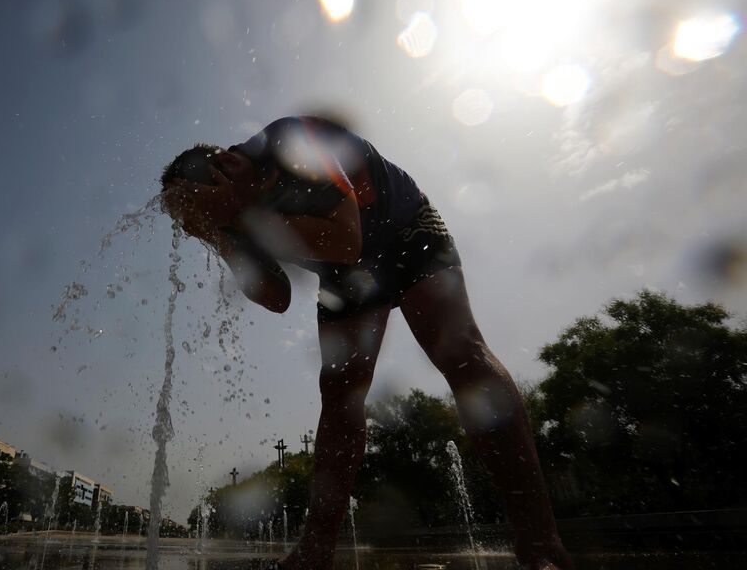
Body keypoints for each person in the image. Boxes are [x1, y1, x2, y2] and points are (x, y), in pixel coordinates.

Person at [160, 116, 572, 570]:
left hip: (403, 228)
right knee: (339, 395)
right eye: (190, 223)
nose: (198, 224)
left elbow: (347, 237)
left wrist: (240, 212)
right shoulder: (228, 213)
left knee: (461, 355)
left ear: (226, 166)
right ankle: (316, 551)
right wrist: (221, 236)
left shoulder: (289, 143)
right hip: (344, 271)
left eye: (197, 212)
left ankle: (540, 541)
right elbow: (275, 297)